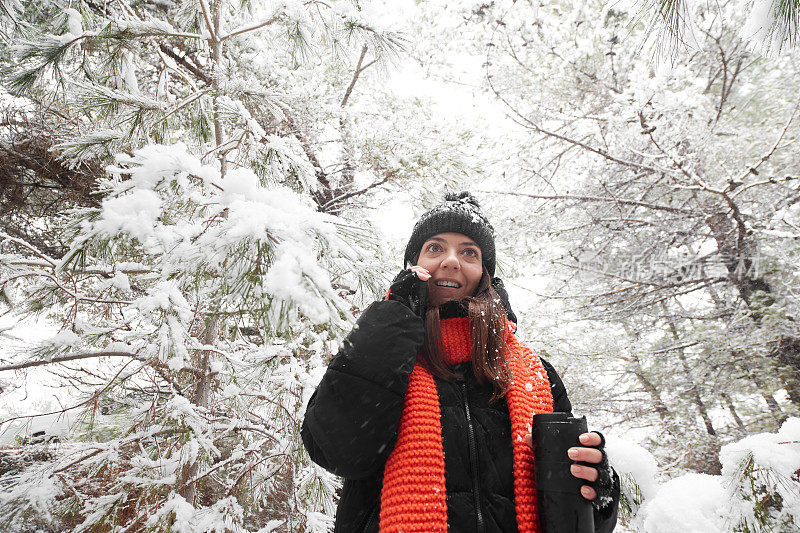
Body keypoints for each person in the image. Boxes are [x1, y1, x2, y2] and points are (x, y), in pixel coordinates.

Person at [302, 192, 619, 532]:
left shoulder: (536, 372)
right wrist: (395, 315)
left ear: (484, 272)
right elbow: (338, 451)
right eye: (435, 248)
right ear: (414, 265)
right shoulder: (382, 348)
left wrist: (597, 490)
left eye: (469, 252)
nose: (451, 260)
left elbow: (571, 518)